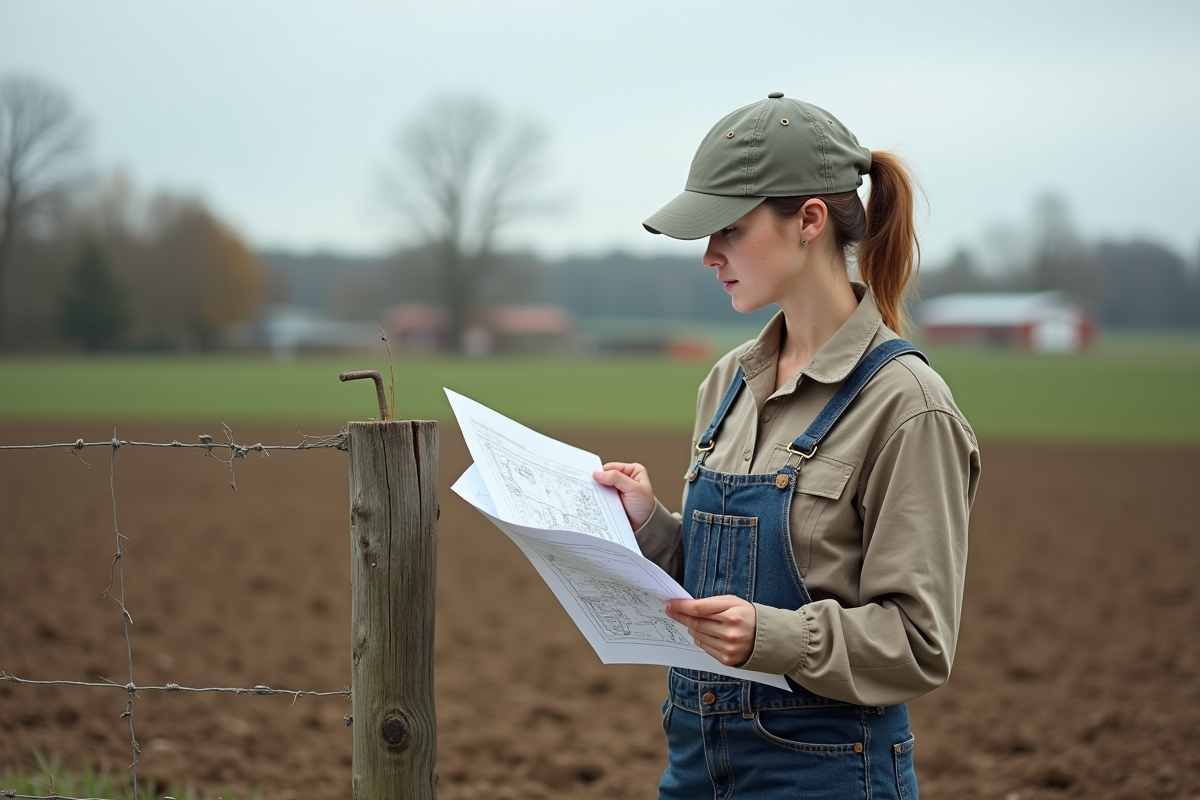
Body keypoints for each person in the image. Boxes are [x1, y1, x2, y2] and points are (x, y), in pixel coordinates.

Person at [593, 93, 981, 799]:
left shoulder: (907, 406)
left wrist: (773, 638)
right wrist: (651, 527)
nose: (710, 256)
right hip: (693, 768)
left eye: (730, 231)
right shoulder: (727, 383)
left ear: (808, 220)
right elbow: (722, 589)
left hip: (826, 774)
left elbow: (920, 644)